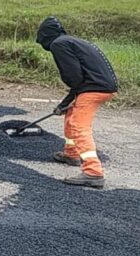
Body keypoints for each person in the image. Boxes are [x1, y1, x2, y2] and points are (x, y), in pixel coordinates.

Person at [36, 16, 119, 189]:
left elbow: (74, 78)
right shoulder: (71, 41)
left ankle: (93, 172)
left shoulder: (58, 44)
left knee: (80, 126)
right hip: (101, 85)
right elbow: (79, 81)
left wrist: (66, 100)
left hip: (94, 88)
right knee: (70, 114)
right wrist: (64, 104)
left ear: (45, 36)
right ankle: (71, 153)